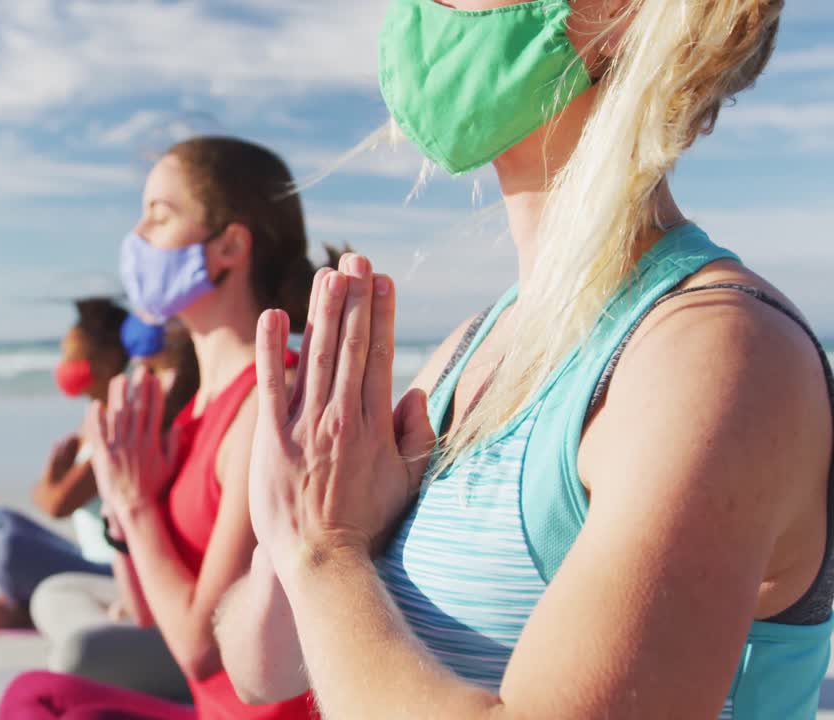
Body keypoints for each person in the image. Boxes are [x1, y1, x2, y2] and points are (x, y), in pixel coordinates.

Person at [218, 1, 834, 719]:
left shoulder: (713, 352)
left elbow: (318, 570)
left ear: (616, 14)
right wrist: (310, 532)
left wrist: (324, 555)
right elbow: (261, 669)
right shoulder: (474, 347)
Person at [0, 137, 334, 720]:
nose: (137, 237)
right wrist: (122, 503)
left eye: (160, 214)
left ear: (229, 247)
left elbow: (202, 649)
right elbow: (149, 612)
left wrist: (138, 505)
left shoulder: (267, 400)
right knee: (34, 695)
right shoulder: (192, 400)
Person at [0, 298, 195, 630]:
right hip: (90, 555)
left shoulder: (123, 422)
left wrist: (51, 477)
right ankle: (15, 600)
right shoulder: (93, 417)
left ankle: (17, 604)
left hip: (113, 568)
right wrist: (53, 483)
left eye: (72, 356)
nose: (64, 365)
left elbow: (57, 503)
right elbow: (51, 496)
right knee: (0, 522)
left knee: (7, 547)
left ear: (106, 361)